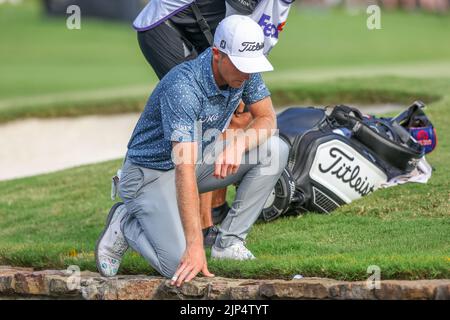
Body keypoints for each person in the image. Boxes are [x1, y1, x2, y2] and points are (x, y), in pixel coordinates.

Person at [95, 15, 290, 286]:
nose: (246, 73)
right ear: (217, 54)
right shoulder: (184, 87)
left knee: (274, 149)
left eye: (251, 66)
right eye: (240, 65)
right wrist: (195, 244)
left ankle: (228, 244)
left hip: (194, 160)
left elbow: (267, 119)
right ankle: (126, 223)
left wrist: (239, 144)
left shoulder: (245, 72)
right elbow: (183, 169)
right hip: (148, 175)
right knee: (180, 265)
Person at [133, 0, 294, 245]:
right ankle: (199, 224)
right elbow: (234, 27)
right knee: (201, 123)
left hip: (206, 33)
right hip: (165, 25)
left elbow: (255, 44)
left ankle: (210, 218)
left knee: (232, 118)